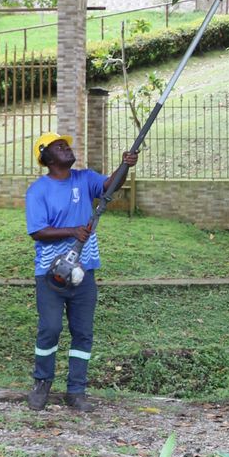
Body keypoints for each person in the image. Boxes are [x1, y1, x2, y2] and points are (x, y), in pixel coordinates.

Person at [25, 131, 138, 412]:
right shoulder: (38, 190)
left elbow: (109, 187)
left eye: (66, 146)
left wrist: (124, 166)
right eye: (59, 147)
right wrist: (72, 231)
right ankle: (42, 383)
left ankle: (76, 391)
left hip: (83, 272)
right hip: (50, 274)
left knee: (83, 332)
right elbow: (38, 231)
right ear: (46, 157)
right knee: (50, 329)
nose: (66, 149)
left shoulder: (84, 178)